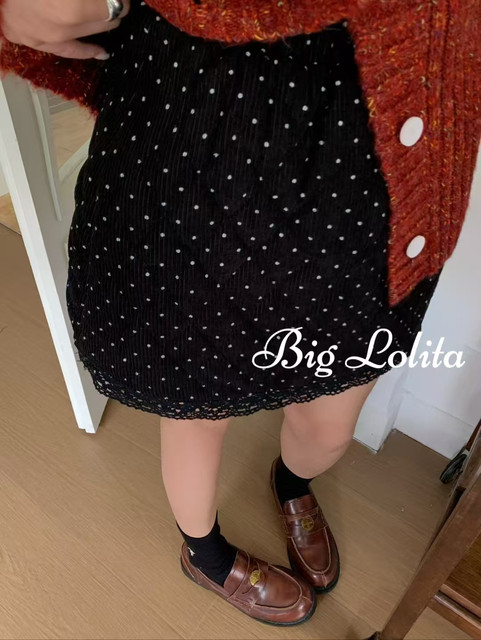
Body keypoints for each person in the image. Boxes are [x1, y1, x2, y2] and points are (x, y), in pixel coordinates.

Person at [0, 0, 447, 626]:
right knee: (193, 412)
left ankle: (291, 483)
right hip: (194, 165)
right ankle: (204, 554)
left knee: (330, 426)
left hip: (362, 193)